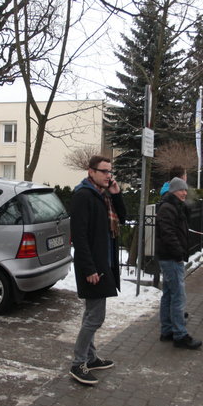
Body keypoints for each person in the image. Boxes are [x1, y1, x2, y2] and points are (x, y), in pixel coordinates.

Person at [68, 155, 127, 386]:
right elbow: (79, 237)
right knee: (95, 317)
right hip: (92, 266)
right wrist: (89, 268)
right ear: (90, 171)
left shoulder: (103, 196)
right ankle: (78, 363)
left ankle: (90, 358)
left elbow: (123, 217)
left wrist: (116, 193)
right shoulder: (83, 196)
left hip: (104, 262)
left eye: (110, 171)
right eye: (103, 171)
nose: (108, 175)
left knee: (91, 314)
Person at [156, 177, 202, 349]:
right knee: (178, 297)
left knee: (169, 294)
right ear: (173, 191)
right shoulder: (168, 208)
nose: (184, 193)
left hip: (170, 257)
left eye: (185, 190)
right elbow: (168, 234)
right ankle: (180, 335)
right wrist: (178, 252)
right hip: (171, 258)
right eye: (181, 190)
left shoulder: (173, 206)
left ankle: (167, 330)